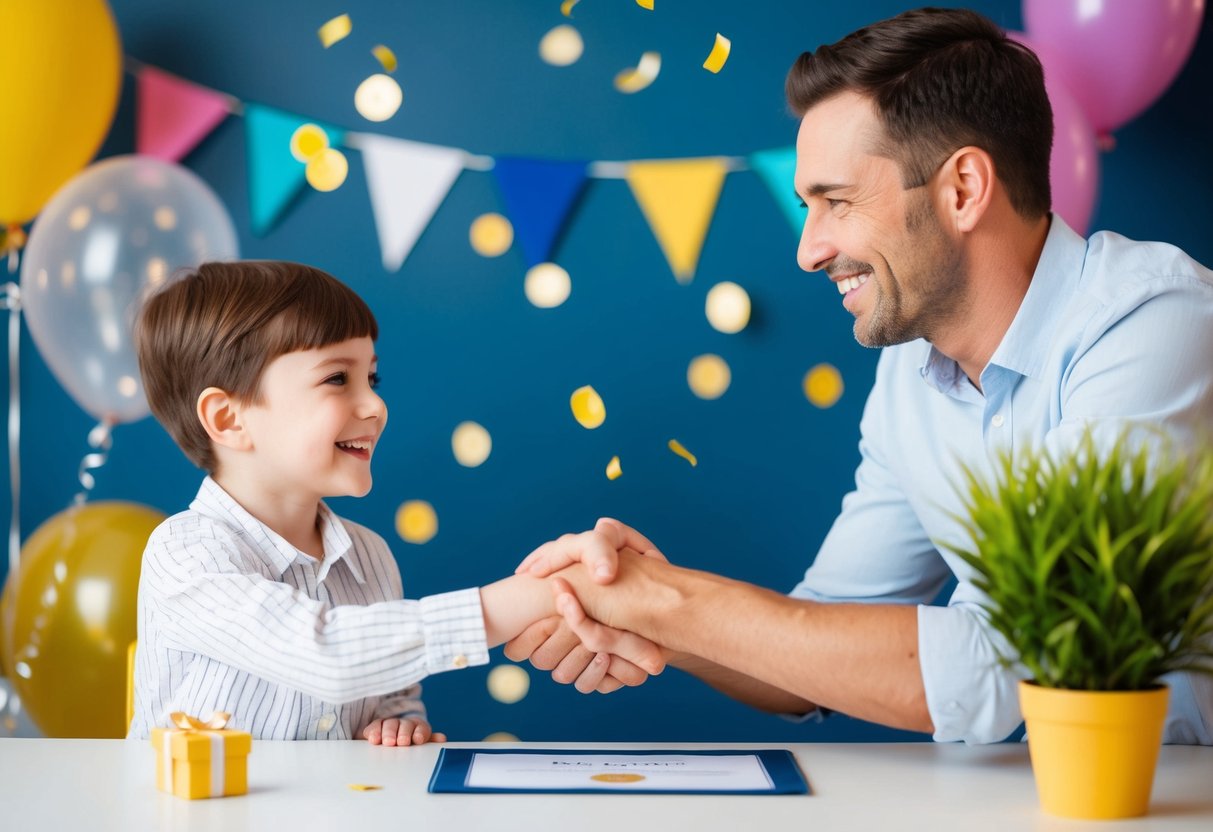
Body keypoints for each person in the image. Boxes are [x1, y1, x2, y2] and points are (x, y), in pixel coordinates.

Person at [505, 7, 1213, 744]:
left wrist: (670, 602)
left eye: (836, 202)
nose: (808, 251)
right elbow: (810, 646)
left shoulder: (1154, 325)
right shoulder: (912, 373)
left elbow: (1026, 659)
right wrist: (628, 611)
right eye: (806, 206)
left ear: (963, 189)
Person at [128, 261, 662, 744]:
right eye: (338, 378)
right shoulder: (185, 553)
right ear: (228, 419)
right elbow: (329, 654)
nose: (375, 404)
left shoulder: (369, 557)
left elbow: (391, 694)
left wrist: (400, 723)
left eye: (372, 377)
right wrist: (539, 595)